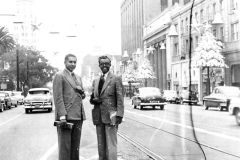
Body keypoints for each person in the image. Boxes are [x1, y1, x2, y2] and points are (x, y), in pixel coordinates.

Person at [90, 56, 124, 160]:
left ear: (110, 65)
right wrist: (93, 100)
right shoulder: (95, 80)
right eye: (102, 64)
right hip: (98, 116)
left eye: (107, 64)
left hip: (111, 116)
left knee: (111, 144)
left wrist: (119, 115)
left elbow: (120, 98)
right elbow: (92, 98)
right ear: (99, 65)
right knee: (101, 144)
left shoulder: (116, 78)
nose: (104, 65)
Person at [52, 53, 86, 160]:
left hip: (78, 116)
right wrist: (62, 116)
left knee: (75, 148)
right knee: (65, 148)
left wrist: (82, 92)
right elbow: (58, 97)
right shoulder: (59, 75)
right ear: (65, 62)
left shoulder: (78, 77)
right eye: (70, 62)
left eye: (75, 62)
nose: (73, 64)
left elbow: (81, 96)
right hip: (66, 117)